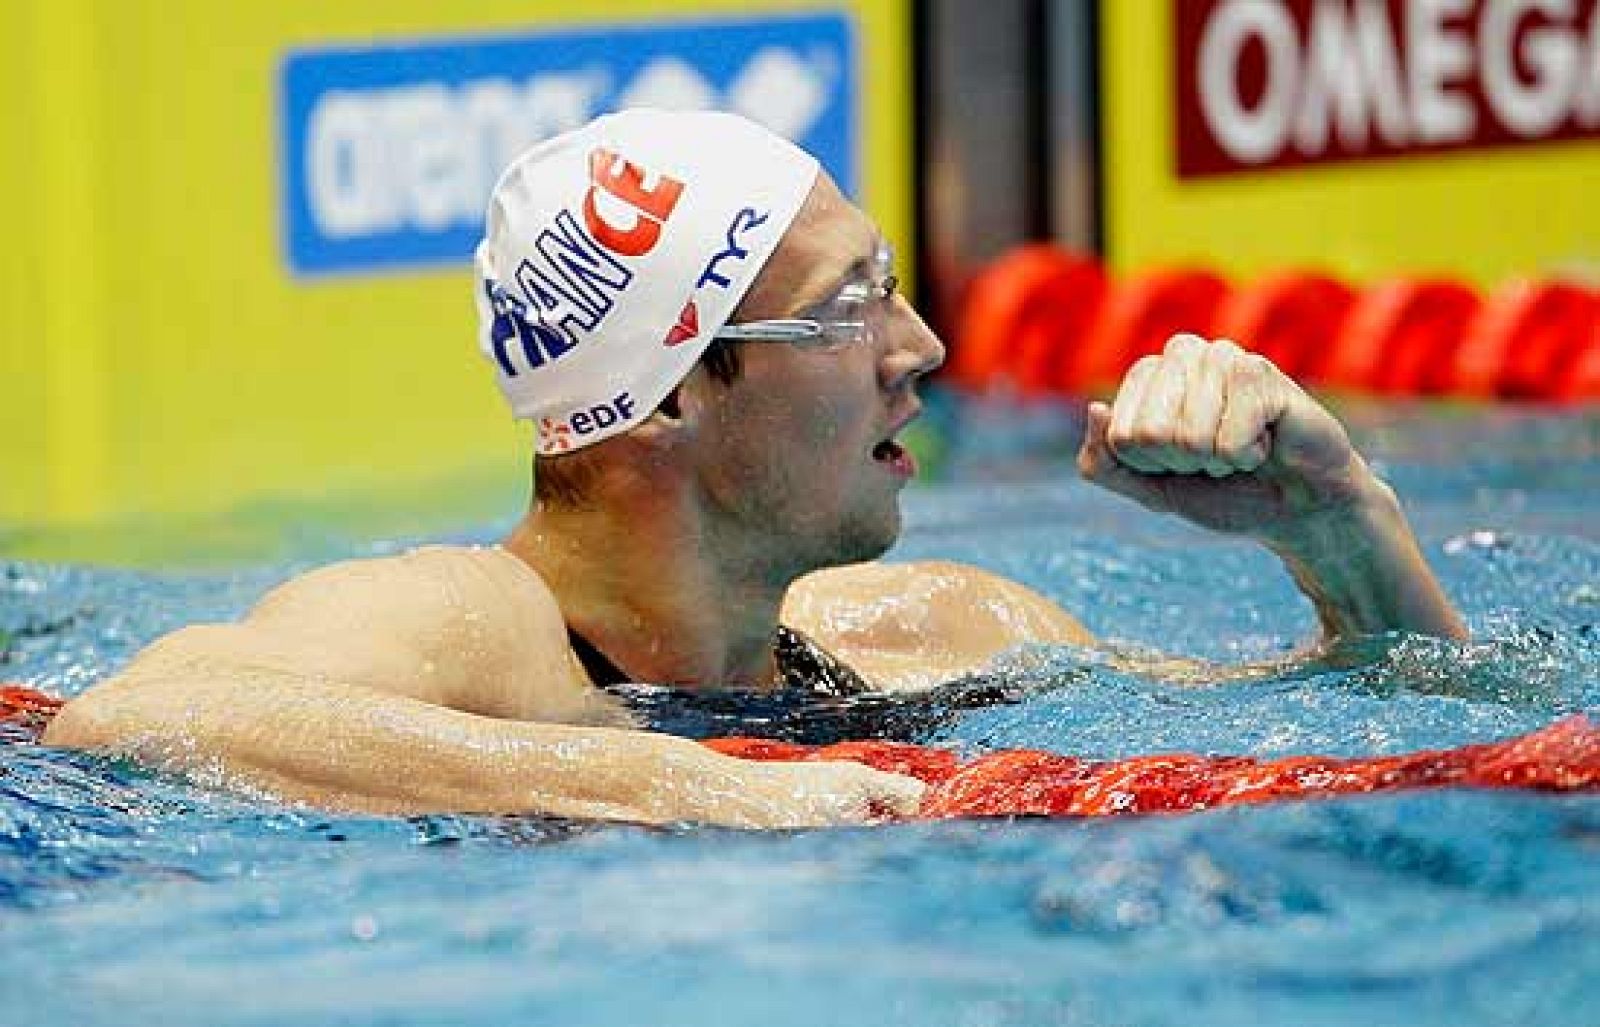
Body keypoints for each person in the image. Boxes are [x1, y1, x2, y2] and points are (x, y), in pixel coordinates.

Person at [42, 110, 1466, 828]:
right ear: (668, 387)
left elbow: (1393, 740)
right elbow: (137, 715)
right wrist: (680, 787)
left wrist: (1340, 527)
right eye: (851, 307)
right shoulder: (472, 629)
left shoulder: (939, 630)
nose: (921, 348)